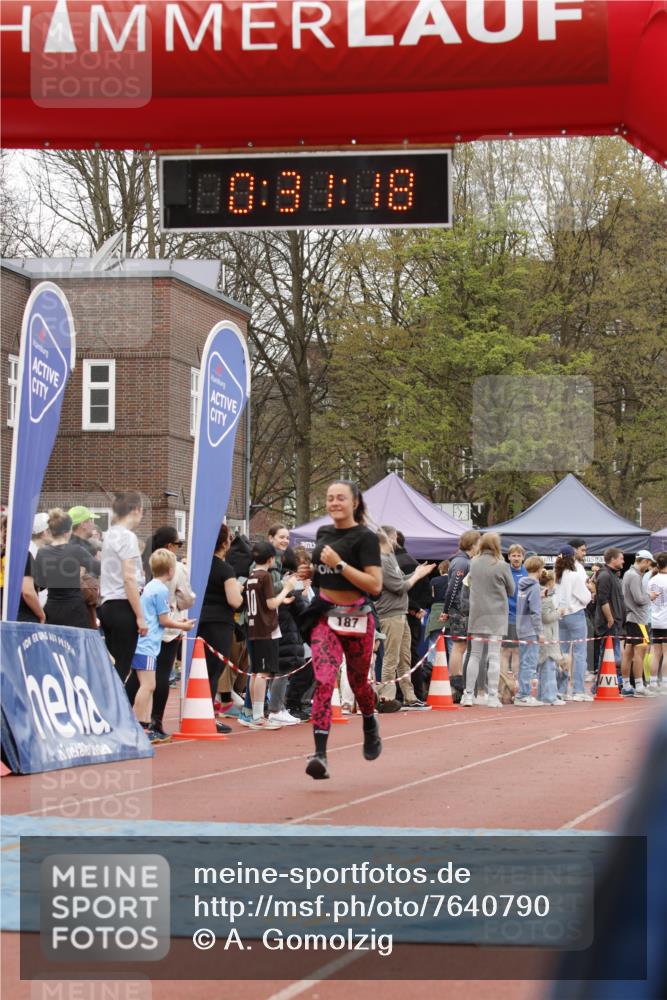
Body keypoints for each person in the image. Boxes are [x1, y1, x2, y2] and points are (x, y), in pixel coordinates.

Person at [298, 480, 383, 780]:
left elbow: (375, 585)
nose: (334, 503)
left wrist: (340, 564)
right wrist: (312, 572)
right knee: (323, 680)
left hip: (358, 617)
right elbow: (324, 575)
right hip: (326, 616)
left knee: (358, 682)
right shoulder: (323, 533)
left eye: (341, 498)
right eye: (330, 498)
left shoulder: (366, 538)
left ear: (355, 502)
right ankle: (320, 754)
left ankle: (370, 722)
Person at [125, 525, 195, 739]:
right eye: (177, 545)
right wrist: (183, 624)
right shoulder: (160, 589)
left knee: (143, 683)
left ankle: (142, 723)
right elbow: (166, 617)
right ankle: (139, 725)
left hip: (147, 638)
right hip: (151, 641)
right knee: (150, 684)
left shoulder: (148, 582)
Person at [375, 527, 434, 711]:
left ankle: (409, 696)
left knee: (404, 657)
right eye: (394, 539)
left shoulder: (390, 559)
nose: (396, 542)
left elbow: (402, 580)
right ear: (388, 539)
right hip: (390, 614)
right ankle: (386, 696)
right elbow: (399, 587)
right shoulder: (382, 561)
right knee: (391, 658)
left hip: (401, 612)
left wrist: (417, 573)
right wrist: (416, 576)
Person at [243, 540, 297, 730]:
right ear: (270, 558)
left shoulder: (251, 575)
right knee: (263, 672)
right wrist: (287, 588)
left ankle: (253, 712)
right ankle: (258, 715)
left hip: (254, 627)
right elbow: (271, 603)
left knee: (256, 671)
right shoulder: (265, 576)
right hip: (265, 628)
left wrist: (283, 598)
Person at [196, 523, 244, 731]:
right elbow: (234, 601)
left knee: (198, 670)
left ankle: (197, 711)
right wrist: (239, 590)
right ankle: (208, 716)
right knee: (213, 671)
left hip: (199, 621)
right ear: (225, 543)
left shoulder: (199, 565)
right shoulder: (225, 569)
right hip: (219, 624)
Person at [461, 533, 515, 708]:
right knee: (493, 655)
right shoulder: (502, 565)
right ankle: (492, 695)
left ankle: (468, 694)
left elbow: (468, 584)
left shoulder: (473, 563)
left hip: (477, 614)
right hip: (497, 615)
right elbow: (511, 590)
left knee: (474, 655)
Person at [99, 491, 147, 684]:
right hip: (123, 605)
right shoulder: (128, 537)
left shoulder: (109, 535)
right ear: (135, 510)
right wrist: (140, 616)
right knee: (121, 668)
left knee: (112, 667)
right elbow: (128, 578)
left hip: (108, 604)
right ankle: (114, 711)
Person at [34, 509, 98, 629]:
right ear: (68, 530)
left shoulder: (42, 552)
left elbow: (40, 584)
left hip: (52, 609)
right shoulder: (76, 550)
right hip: (75, 610)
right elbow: (98, 568)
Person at [441, 530, 481, 688]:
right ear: (472, 544)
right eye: (478, 543)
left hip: (462, 609)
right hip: (459, 609)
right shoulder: (461, 562)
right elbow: (452, 587)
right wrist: (446, 610)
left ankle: (458, 677)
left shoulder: (463, 561)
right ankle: (455, 679)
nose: (480, 546)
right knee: (459, 645)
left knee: (462, 645)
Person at [555, 544, 593, 701]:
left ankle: (561, 689)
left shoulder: (556, 575)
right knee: (579, 653)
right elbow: (585, 597)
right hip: (575, 614)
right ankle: (578, 690)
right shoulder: (575, 574)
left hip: (560, 615)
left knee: (562, 653)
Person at [621, 550, 656, 697]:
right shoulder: (634, 576)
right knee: (639, 653)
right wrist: (650, 596)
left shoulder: (630, 574)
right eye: (648, 564)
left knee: (629, 653)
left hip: (632, 618)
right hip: (638, 619)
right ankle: (639, 687)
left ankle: (627, 685)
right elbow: (639, 599)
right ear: (644, 561)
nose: (648, 567)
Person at [593, 547, 626, 691]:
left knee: (613, 656)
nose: (623, 561)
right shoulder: (605, 575)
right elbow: (603, 599)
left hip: (616, 622)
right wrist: (610, 618)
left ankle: (610, 684)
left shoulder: (613, 575)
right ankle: (598, 686)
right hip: (609, 623)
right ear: (613, 559)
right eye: (621, 558)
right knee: (607, 655)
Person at [515, 555, 546, 706]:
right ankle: (523, 695)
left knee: (523, 662)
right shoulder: (533, 586)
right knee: (529, 663)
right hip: (530, 630)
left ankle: (522, 693)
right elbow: (535, 612)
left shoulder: (522, 584)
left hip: (521, 627)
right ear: (539, 569)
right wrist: (540, 632)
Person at [537, 569, 567, 706]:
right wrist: (558, 612)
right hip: (548, 635)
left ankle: (544, 694)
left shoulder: (545, 596)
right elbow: (546, 617)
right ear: (551, 583)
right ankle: (549, 696)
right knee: (548, 667)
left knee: (546, 666)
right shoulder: (546, 598)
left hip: (548, 635)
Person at [17, 512, 49, 624]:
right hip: (26, 616)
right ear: (45, 532)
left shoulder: (36, 552)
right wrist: (41, 615)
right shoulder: (29, 552)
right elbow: (28, 591)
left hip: (29, 613)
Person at [500, 544, 528, 674]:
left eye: (519, 555)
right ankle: (504, 682)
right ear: (509, 557)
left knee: (518, 651)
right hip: (507, 617)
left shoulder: (527, 572)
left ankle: (516, 684)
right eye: (513, 555)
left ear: (523, 557)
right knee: (505, 651)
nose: (516, 558)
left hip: (523, 618)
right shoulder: (504, 571)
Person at [648, 553, 667, 694]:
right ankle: (665, 683)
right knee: (666, 654)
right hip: (665, 620)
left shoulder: (652, 579)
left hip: (655, 620)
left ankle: (653, 682)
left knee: (656, 653)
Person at [68, 506, 102, 574]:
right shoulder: (77, 548)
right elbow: (101, 570)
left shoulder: (87, 544)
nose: (93, 524)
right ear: (83, 524)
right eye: (91, 520)